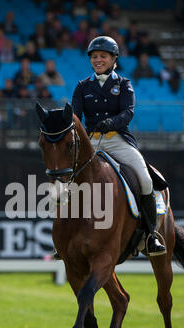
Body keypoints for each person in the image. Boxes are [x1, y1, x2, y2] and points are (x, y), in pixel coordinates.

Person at [71, 36, 166, 256]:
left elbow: (128, 113)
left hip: (118, 140)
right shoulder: (82, 87)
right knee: (68, 182)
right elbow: (76, 116)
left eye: (103, 56)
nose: (98, 60)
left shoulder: (123, 84)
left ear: (114, 59)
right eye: (94, 56)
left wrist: (111, 122)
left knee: (144, 179)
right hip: (92, 141)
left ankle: (151, 235)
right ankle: (65, 236)